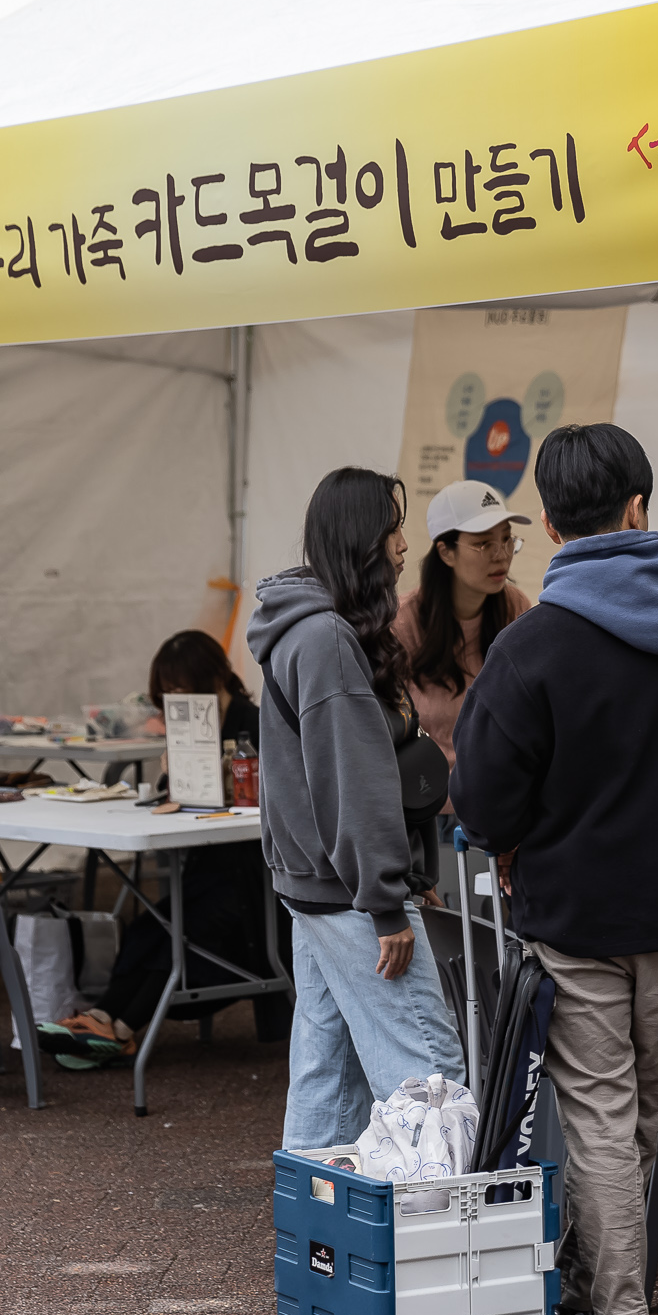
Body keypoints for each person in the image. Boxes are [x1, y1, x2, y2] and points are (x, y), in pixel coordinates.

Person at [451, 423, 658, 1315]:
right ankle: (603, 1298)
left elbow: (486, 799)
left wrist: (524, 835)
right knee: (642, 1114)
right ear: (638, 508)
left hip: (574, 911)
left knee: (601, 1116)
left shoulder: (533, 645)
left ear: (547, 523)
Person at [248, 468, 465, 1149]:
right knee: (431, 1076)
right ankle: (435, 1239)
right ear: (361, 541)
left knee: (329, 1069)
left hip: (316, 885)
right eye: (392, 529)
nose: (404, 546)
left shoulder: (300, 630)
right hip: (349, 894)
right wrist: (384, 903)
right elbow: (355, 781)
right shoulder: (326, 639)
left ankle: (315, 1230)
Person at [44, 631, 285, 1066]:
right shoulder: (193, 726)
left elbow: (265, 800)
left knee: (179, 933)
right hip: (208, 867)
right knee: (151, 928)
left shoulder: (254, 723)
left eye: (179, 689)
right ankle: (106, 1019)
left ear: (213, 678)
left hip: (250, 877)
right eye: (167, 692)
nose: (174, 700)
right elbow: (177, 795)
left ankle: (116, 1028)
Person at [393, 479, 531, 771]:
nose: (501, 554)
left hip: (493, 798)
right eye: (483, 543)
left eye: (506, 539)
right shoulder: (403, 622)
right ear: (446, 552)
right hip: (424, 801)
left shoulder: (515, 608)